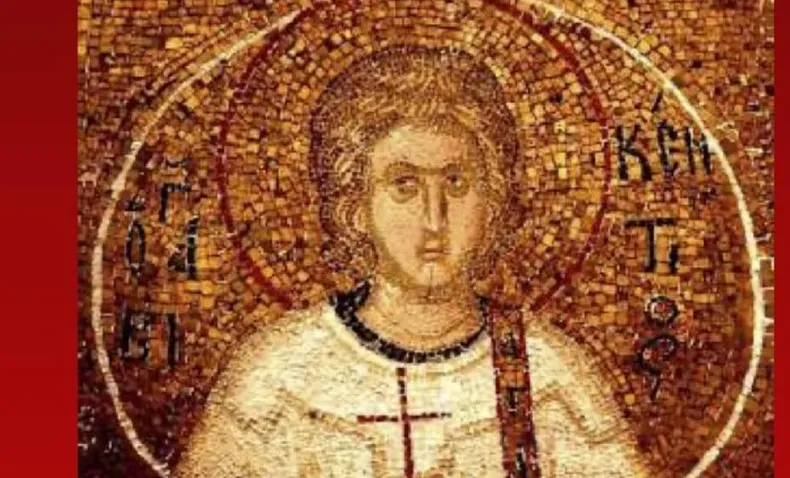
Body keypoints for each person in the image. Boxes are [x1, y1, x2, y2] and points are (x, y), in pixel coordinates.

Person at [176, 45, 649, 478]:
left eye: (456, 183)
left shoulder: (553, 377)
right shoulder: (275, 378)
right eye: (404, 185)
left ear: (493, 201)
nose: (434, 217)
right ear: (355, 205)